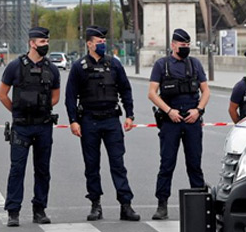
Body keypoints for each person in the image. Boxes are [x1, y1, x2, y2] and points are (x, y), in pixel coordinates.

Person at [65, 25, 140, 222]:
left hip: (111, 120)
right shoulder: (78, 67)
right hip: (89, 120)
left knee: (118, 164)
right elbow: (70, 97)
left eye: (103, 41)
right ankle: (95, 204)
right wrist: (73, 121)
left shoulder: (114, 64)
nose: (102, 44)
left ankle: (126, 205)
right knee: (91, 165)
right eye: (98, 42)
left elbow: (125, 90)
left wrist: (130, 115)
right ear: (89, 44)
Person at [0, 27, 60, 227]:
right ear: (32, 43)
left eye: (47, 42)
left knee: (43, 170)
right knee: (17, 169)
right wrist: (17, 112)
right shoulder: (15, 66)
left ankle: (39, 210)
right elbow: (2, 94)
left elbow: (56, 96)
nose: (46, 45)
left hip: (43, 125)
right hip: (21, 126)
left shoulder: (52, 68)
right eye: (42, 42)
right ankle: (13, 211)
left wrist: (42, 108)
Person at [148, 28, 210, 220]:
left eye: (187, 45)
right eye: (182, 45)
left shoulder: (195, 64)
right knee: (167, 164)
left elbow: (206, 91)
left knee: (194, 164)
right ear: (173, 45)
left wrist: (198, 110)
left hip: (192, 118)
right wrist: (169, 111)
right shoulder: (162, 65)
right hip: (170, 120)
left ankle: (200, 204)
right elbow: (152, 93)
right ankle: (162, 205)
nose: (185, 48)